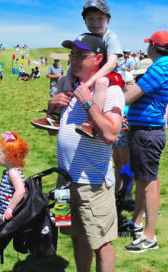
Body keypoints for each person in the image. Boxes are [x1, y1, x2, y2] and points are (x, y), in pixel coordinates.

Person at [48, 33, 124, 271]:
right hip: (63, 180)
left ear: (99, 58)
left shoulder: (111, 91)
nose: (74, 59)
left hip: (92, 184)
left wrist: (88, 103)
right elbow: (56, 132)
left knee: (101, 243)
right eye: (72, 55)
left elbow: (111, 135)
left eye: (81, 55)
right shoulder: (71, 86)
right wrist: (52, 108)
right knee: (75, 236)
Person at [31, 0, 123, 137]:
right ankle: (55, 118)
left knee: (101, 82)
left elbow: (111, 63)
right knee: (62, 80)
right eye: (90, 19)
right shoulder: (85, 37)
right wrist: (67, 83)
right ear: (84, 21)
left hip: (113, 74)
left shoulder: (110, 37)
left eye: (100, 18)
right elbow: (73, 64)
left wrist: (89, 83)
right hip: (94, 75)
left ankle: (92, 123)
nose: (95, 23)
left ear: (108, 20)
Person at [122, 30, 168, 253]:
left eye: (148, 44)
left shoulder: (159, 67)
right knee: (143, 182)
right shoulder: (163, 65)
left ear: (153, 46)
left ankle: (149, 237)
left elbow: (130, 96)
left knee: (149, 184)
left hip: (147, 133)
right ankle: (136, 224)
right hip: (143, 132)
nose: (146, 48)